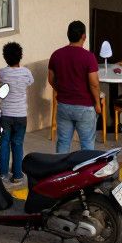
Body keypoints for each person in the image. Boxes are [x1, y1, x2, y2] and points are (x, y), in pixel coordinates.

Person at [48, 21, 102, 153]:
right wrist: (97, 103)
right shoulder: (89, 57)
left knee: (63, 142)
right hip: (85, 107)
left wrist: (61, 91)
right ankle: (85, 166)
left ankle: (60, 166)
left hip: (64, 105)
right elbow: (94, 83)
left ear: (68, 34)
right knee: (87, 145)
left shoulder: (56, 55)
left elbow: (51, 79)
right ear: (84, 36)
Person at [0, 42, 33, 184]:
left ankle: (2, 173)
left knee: (4, 143)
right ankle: (17, 175)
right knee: (18, 144)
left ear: (5, 57)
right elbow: (30, 82)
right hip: (21, 114)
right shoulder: (26, 72)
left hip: (6, 114)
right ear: (20, 56)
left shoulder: (1, 73)